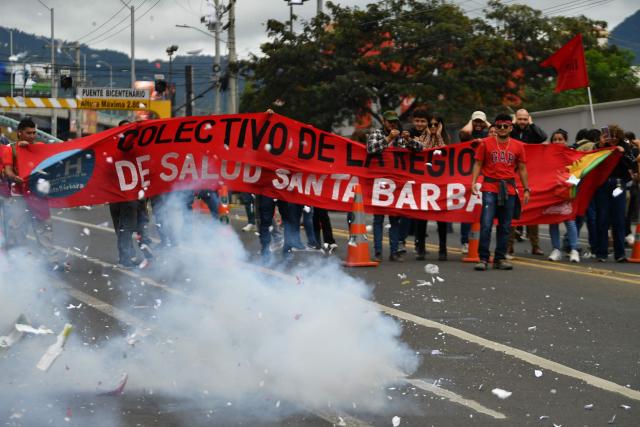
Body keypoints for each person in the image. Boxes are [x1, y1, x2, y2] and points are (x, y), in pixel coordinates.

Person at [471, 113, 530, 271]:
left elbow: (523, 169)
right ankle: (483, 258)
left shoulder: (518, 146)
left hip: (509, 189)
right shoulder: (485, 143)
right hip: (490, 187)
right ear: (494, 128)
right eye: (499, 126)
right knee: (486, 224)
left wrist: (526, 189)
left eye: (505, 126)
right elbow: (477, 164)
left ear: (511, 127)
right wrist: (474, 181)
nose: (502, 129)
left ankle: (500, 258)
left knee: (505, 226)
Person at [2, 117, 61, 270]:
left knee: (44, 227)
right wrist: (14, 177)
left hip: (37, 196)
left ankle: (51, 261)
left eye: (34, 132)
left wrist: (29, 148)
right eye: (29, 133)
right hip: (17, 196)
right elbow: (7, 169)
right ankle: (15, 260)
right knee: (16, 229)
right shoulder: (9, 149)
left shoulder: (40, 147)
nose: (33, 136)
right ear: (19, 133)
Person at [367, 110, 422, 262]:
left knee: (394, 220)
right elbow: (371, 149)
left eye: (394, 121)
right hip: (379, 182)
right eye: (389, 121)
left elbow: (420, 149)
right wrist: (388, 138)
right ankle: (378, 252)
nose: (392, 124)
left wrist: (409, 140)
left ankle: (394, 252)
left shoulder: (401, 135)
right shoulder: (376, 134)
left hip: (396, 184)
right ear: (384, 121)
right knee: (378, 219)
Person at [593, 125, 636, 262]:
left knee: (618, 218)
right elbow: (592, 160)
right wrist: (601, 144)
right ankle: (601, 253)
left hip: (618, 185)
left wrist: (622, 152)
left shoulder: (625, 146)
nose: (611, 140)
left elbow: (632, 165)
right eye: (609, 137)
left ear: (619, 137)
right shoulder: (600, 146)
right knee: (602, 218)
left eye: (614, 137)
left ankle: (620, 254)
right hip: (603, 185)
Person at [509, 109, 547, 256]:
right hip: (512, 175)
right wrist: (512, 124)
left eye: (525, 119)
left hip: (529, 176)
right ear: (516, 119)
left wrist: (532, 124)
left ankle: (535, 245)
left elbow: (543, 137)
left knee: (532, 211)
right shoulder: (510, 130)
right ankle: (509, 245)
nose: (523, 122)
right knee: (511, 211)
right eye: (520, 119)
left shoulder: (532, 132)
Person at [412, 113, 449, 261]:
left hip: (440, 185)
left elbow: (445, 153)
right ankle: (420, 248)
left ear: (440, 126)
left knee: (442, 220)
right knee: (421, 219)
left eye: (436, 125)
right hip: (423, 184)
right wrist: (428, 135)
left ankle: (443, 249)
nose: (433, 127)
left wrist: (439, 136)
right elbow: (422, 149)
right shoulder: (420, 138)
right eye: (431, 124)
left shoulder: (446, 139)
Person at [545, 130, 580, 263]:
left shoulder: (572, 155)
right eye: (555, 139)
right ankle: (556, 249)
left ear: (566, 141)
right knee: (553, 221)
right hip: (552, 193)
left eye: (560, 139)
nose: (558, 142)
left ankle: (574, 249)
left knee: (569, 221)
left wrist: (571, 185)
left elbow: (578, 172)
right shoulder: (547, 156)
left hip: (567, 193)